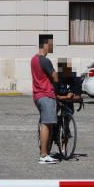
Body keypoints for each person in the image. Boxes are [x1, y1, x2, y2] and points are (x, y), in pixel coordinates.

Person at [31, 35, 58, 164]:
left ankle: (46, 152)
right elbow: (55, 77)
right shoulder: (45, 61)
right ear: (45, 44)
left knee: (45, 123)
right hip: (46, 94)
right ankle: (43, 155)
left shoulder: (33, 59)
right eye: (51, 44)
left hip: (37, 95)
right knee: (46, 125)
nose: (52, 47)